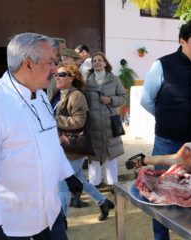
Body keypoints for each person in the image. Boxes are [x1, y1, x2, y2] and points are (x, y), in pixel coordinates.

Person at [0, 32, 83, 239]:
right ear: (28, 65)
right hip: (13, 224)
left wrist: (68, 175)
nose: (55, 70)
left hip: (51, 213)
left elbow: (50, 141)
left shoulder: (41, 95)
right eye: (50, 62)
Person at [140, 20, 191, 240]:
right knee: (161, 196)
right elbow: (147, 101)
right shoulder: (161, 65)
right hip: (166, 143)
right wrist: (169, 117)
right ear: (182, 41)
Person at [55, 63, 115, 224]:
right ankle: (103, 202)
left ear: (71, 77)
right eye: (56, 74)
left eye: (61, 74)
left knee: (63, 183)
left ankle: (61, 220)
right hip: (66, 148)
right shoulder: (60, 94)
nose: (57, 77)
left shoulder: (76, 96)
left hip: (75, 148)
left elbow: (79, 121)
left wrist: (54, 120)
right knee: (79, 179)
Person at [85, 52, 126, 188]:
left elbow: (123, 97)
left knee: (111, 154)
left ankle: (112, 184)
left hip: (110, 123)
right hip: (94, 124)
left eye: (99, 60)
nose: (97, 62)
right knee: (93, 156)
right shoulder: (87, 81)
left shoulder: (114, 79)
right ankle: (94, 184)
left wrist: (111, 100)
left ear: (105, 63)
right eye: (94, 61)